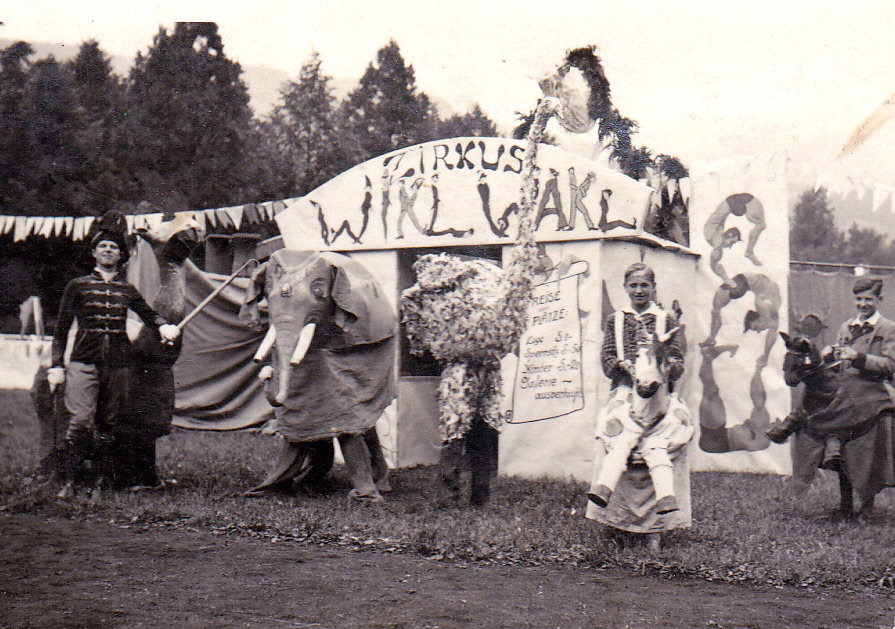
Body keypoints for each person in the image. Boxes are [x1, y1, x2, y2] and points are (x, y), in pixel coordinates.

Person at [47, 214, 180, 494]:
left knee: (110, 423)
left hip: (119, 365)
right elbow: (61, 330)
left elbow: (149, 315)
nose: (108, 250)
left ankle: (100, 481)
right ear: (94, 253)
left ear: (121, 256)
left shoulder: (126, 289)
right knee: (80, 421)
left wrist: (163, 326)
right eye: (103, 246)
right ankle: (71, 480)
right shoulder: (77, 286)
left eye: (114, 247)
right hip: (83, 361)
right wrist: (56, 365)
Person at [587, 263, 690, 517]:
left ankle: (662, 511)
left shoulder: (665, 319)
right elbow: (607, 358)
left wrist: (664, 364)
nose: (639, 290)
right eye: (633, 285)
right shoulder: (616, 319)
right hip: (625, 391)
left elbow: (678, 362)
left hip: (658, 394)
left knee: (670, 435)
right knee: (612, 434)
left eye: (645, 285)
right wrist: (621, 366)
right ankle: (612, 510)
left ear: (654, 288)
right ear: (625, 288)